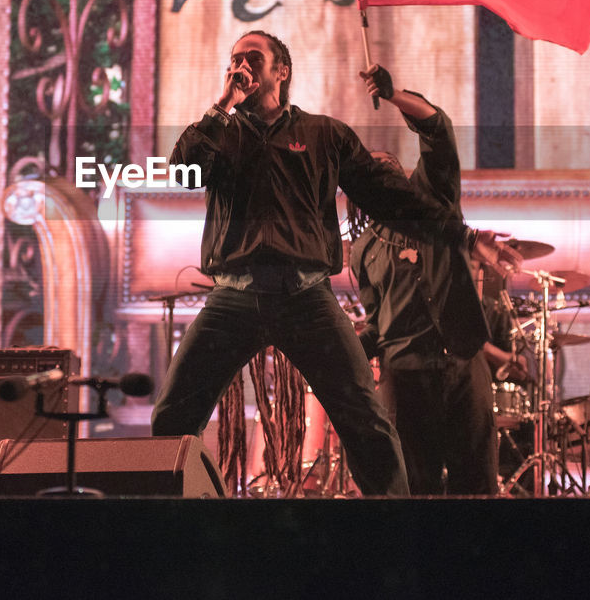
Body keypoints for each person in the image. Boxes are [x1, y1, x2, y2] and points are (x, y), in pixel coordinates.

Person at [150, 30, 517, 496]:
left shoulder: (324, 134)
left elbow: (392, 198)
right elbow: (183, 170)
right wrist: (221, 104)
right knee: (172, 415)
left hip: (305, 297)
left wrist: (463, 236)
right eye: (234, 58)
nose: (240, 65)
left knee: (366, 419)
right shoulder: (222, 134)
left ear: (281, 70)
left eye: (252, 57)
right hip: (233, 298)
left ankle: (396, 538)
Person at [348, 65, 525, 495]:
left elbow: (436, 128)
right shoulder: (363, 251)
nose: (381, 173)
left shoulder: (434, 199)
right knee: (414, 494)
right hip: (404, 381)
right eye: (370, 176)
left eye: (387, 165)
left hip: (462, 368)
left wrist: (393, 95)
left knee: (477, 491)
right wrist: (342, 344)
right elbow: (378, 321)